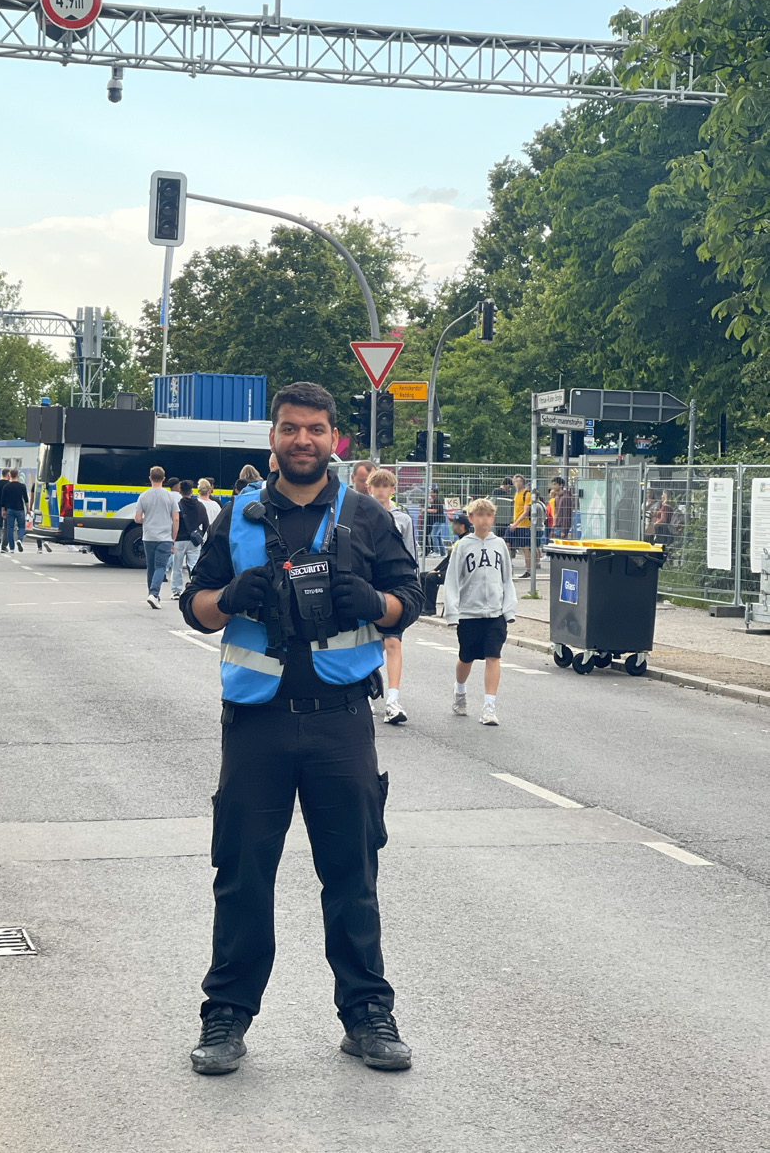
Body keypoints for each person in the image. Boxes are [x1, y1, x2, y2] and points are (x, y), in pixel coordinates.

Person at [181, 381, 422, 1076]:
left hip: (339, 723)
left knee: (352, 875)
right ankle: (226, 1017)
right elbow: (194, 606)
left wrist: (373, 602)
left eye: (315, 429)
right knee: (242, 875)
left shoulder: (367, 515)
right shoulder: (239, 515)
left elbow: (411, 598)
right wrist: (229, 598)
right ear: (273, 438)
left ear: (333, 439)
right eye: (290, 428)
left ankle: (367, 1015)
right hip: (255, 725)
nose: (303, 440)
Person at [443, 498, 516, 726]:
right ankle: (460, 690)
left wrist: (508, 609)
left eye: (488, 515)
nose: (484, 519)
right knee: (466, 657)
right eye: (479, 515)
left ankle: (489, 706)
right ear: (471, 519)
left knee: (493, 656)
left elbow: (507, 579)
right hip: (469, 613)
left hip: (495, 613)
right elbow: (452, 580)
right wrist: (452, 612)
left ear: (492, 518)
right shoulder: (463, 546)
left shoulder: (499, 545)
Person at [366, 468, 416, 725]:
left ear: (393, 490)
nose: (382, 490)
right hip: (369, 585)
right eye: (377, 486)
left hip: (394, 586)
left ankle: (393, 700)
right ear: (369, 489)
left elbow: (410, 553)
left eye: (386, 486)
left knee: (393, 641)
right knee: (370, 642)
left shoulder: (402, 519)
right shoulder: (361, 515)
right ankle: (367, 690)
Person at [134, 465, 179, 609]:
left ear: (150, 478)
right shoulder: (170, 496)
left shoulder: (144, 496)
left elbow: (137, 518)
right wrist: (173, 537)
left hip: (148, 536)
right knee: (161, 566)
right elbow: (176, 518)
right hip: (165, 537)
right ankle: (154, 594)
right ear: (164, 479)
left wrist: (147, 520)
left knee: (151, 567)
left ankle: (152, 595)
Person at [420, 509, 472, 615]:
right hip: (449, 570)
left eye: (455, 524)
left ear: (462, 526)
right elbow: (448, 559)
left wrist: (439, 572)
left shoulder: (465, 542)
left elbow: (454, 562)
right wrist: (435, 569)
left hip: (456, 574)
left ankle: (430, 609)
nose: (452, 526)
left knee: (431, 578)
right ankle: (424, 607)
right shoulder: (459, 541)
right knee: (423, 575)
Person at [171, 479, 210, 599]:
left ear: (180, 491)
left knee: (177, 566)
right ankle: (195, 588)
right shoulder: (200, 505)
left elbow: (174, 521)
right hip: (194, 541)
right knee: (193, 565)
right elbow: (206, 523)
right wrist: (200, 536)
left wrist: (172, 538)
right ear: (192, 491)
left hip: (179, 539)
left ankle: (176, 591)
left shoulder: (178, 505)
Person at [506, 474, 533, 577]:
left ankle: (528, 570)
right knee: (506, 544)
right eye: (515, 481)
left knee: (524, 547)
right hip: (514, 523)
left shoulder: (527, 494)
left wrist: (516, 523)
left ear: (523, 482)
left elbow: (526, 511)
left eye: (519, 481)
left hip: (523, 525)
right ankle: (509, 567)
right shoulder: (516, 494)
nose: (517, 483)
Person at [0, 469, 29, 553]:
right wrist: (28, 509)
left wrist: (3, 510)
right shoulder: (22, 486)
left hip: (10, 509)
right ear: (17, 475)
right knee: (22, 526)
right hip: (20, 509)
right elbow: (26, 499)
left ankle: (11, 548)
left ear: (10, 475)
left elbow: (3, 500)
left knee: (10, 528)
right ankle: (19, 539)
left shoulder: (6, 486)